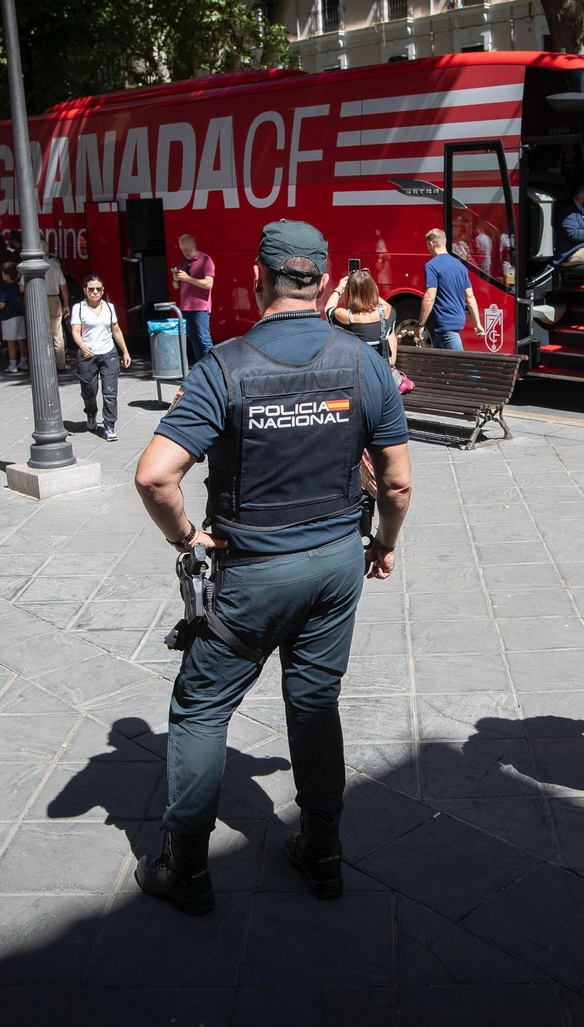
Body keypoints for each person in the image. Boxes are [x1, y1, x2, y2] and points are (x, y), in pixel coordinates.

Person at [132, 220, 413, 915]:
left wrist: (188, 538)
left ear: (256, 277)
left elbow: (154, 476)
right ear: (322, 282)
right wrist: (384, 542)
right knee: (315, 703)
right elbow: (398, 483)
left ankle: (187, 869)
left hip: (255, 572)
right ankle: (322, 852)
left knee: (200, 708)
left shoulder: (224, 366)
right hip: (337, 564)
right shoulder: (364, 363)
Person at [70, 275, 132, 439]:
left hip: (108, 353)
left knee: (110, 392)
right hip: (87, 354)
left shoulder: (109, 307)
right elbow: (75, 331)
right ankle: (91, 413)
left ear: (103, 290)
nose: (95, 292)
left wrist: (125, 351)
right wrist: (83, 346)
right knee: (89, 391)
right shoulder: (79, 308)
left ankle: (109, 425)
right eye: (91, 289)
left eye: (98, 289)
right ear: (85, 291)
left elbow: (116, 330)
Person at [418, 229, 481, 351]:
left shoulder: (431, 266)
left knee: (463, 364)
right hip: (457, 320)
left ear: (431, 244)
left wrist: (421, 324)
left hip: (445, 323)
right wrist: (477, 323)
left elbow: (429, 298)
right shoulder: (460, 266)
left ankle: (470, 371)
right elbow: (470, 297)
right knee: (438, 362)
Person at [324, 268, 397, 368]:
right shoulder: (387, 311)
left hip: (358, 373)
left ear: (350, 292)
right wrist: (369, 291)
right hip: (381, 372)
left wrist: (339, 288)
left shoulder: (347, 317)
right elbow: (388, 306)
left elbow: (328, 309)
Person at [172, 234, 215, 362]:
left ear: (193, 245)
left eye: (186, 249)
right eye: (182, 249)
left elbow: (209, 284)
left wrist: (188, 278)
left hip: (201, 307)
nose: (184, 252)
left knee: (204, 338)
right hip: (185, 307)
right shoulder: (183, 262)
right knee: (193, 339)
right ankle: (201, 366)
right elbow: (175, 286)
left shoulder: (206, 260)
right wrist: (176, 278)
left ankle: (212, 367)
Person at [0, 261, 26, 374]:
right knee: (21, 339)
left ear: (6, 275)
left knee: (11, 341)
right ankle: (24, 361)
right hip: (19, 314)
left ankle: (12, 364)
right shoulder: (18, 286)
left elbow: (2, 304)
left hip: (8, 316)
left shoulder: (5, 288)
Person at [43, 251, 70, 372]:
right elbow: (63, 287)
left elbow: (22, 287)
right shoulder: (54, 265)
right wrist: (66, 304)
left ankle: (47, 362)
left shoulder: (31, 263)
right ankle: (61, 363)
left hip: (40, 300)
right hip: (55, 300)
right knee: (57, 332)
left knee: (42, 333)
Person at [556, 185, 584, 265]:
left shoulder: (583, 210)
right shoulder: (567, 210)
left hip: (583, 247)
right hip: (570, 252)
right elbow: (574, 234)